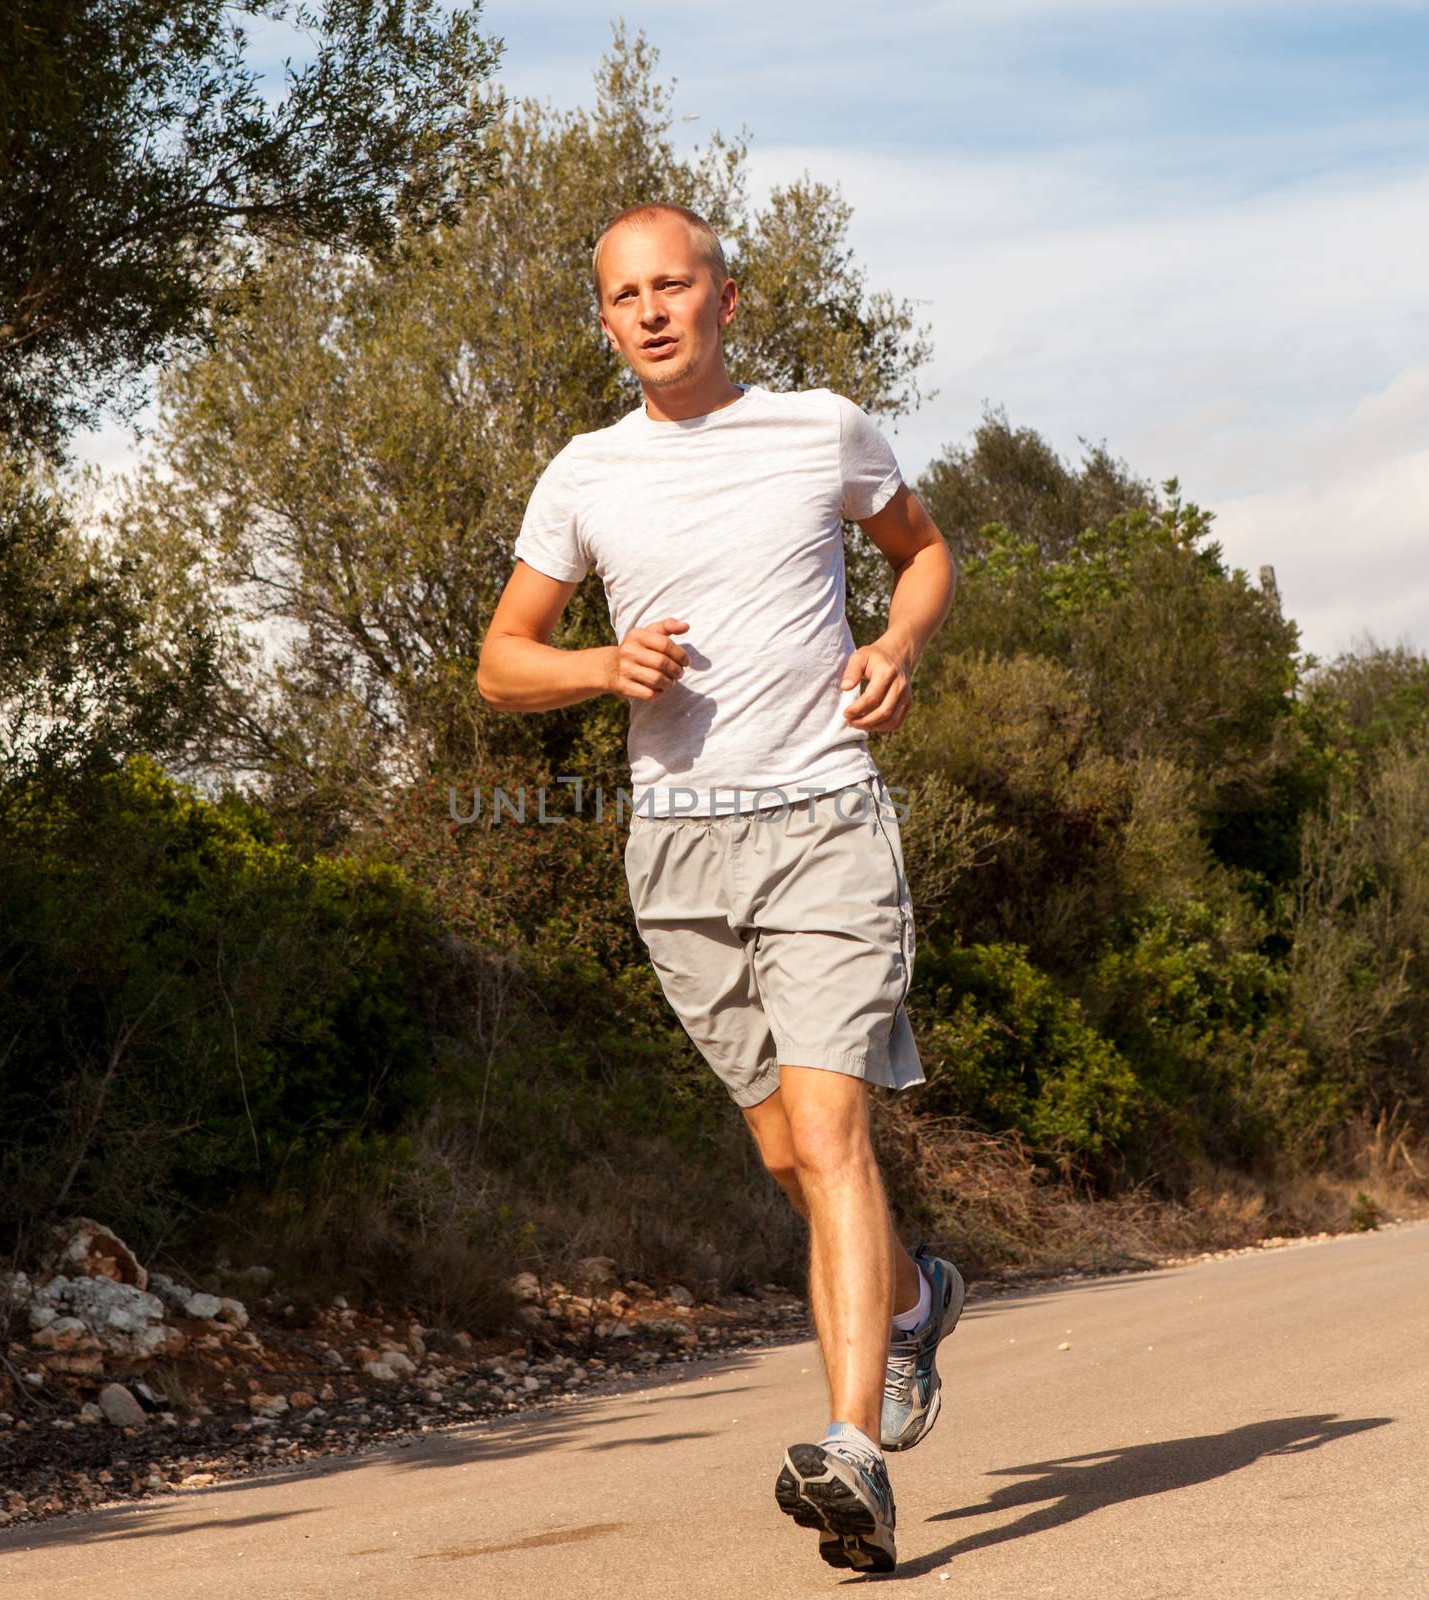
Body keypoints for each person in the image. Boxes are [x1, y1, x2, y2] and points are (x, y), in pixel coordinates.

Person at [475, 200, 963, 1574]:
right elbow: (502, 659)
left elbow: (922, 552)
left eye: (670, 284)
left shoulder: (822, 431)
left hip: (822, 820)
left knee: (831, 1133)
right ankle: (916, 1298)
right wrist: (598, 667)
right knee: (780, 1157)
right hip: (677, 849)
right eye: (622, 294)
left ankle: (854, 1455)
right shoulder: (584, 473)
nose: (647, 310)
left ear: (725, 297)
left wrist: (897, 645)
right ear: (607, 315)